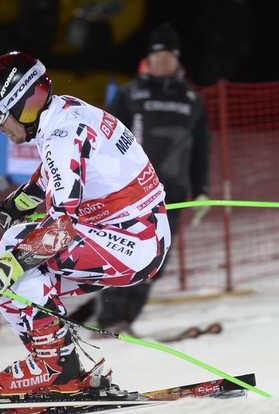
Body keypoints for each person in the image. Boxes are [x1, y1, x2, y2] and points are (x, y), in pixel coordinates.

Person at [0, 51, 171, 414]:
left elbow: (61, 227)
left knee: (15, 253)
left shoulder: (61, 135)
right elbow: (61, 173)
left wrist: (8, 268)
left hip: (132, 242)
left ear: (22, 105)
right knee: (18, 262)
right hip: (130, 233)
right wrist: (21, 202)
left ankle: (58, 369)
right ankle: (59, 367)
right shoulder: (64, 112)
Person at [70, 23, 211, 335]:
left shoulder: (191, 100)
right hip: (129, 194)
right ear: (148, 58)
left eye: (168, 55)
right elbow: (102, 139)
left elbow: (201, 150)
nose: (162, 60)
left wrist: (201, 191)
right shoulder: (130, 94)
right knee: (124, 256)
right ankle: (107, 320)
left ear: (177, 59)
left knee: (155, 261)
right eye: (156, 54)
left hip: (173, 194)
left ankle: (124, 321)